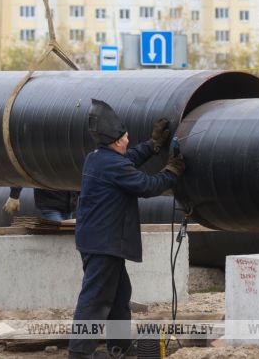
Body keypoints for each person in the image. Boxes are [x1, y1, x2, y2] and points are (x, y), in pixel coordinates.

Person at [68, 100, 186, 359]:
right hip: (104, 244)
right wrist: (172, 172)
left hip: (99, 241)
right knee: (96, 298)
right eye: (124, 136)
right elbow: (146, 185)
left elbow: (129, 159)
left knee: (120, 295)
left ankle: (118, 346)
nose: (127, 138)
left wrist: (152, 146)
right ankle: (79, 352)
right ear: (116, 140)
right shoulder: (112, 165)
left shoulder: (98, 159)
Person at [3, 187, 78, 222]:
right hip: (50, 205)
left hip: (69, 207)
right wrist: (14, 196)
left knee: (65, 239)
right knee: (58, 239)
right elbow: (22, 165)